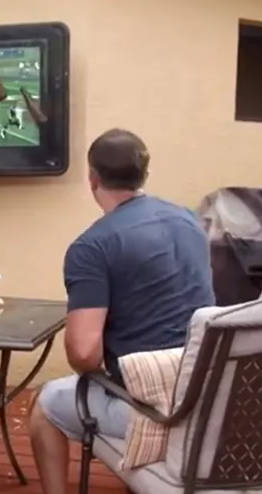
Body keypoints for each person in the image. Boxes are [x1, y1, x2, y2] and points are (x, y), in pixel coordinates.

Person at [29, 129, 215, 494]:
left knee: (45, 403)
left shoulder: (92, 247)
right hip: (207, 395)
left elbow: (84, 354)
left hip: (155, 411)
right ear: (143, 174)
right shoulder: (190, 220)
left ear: (92, 178)